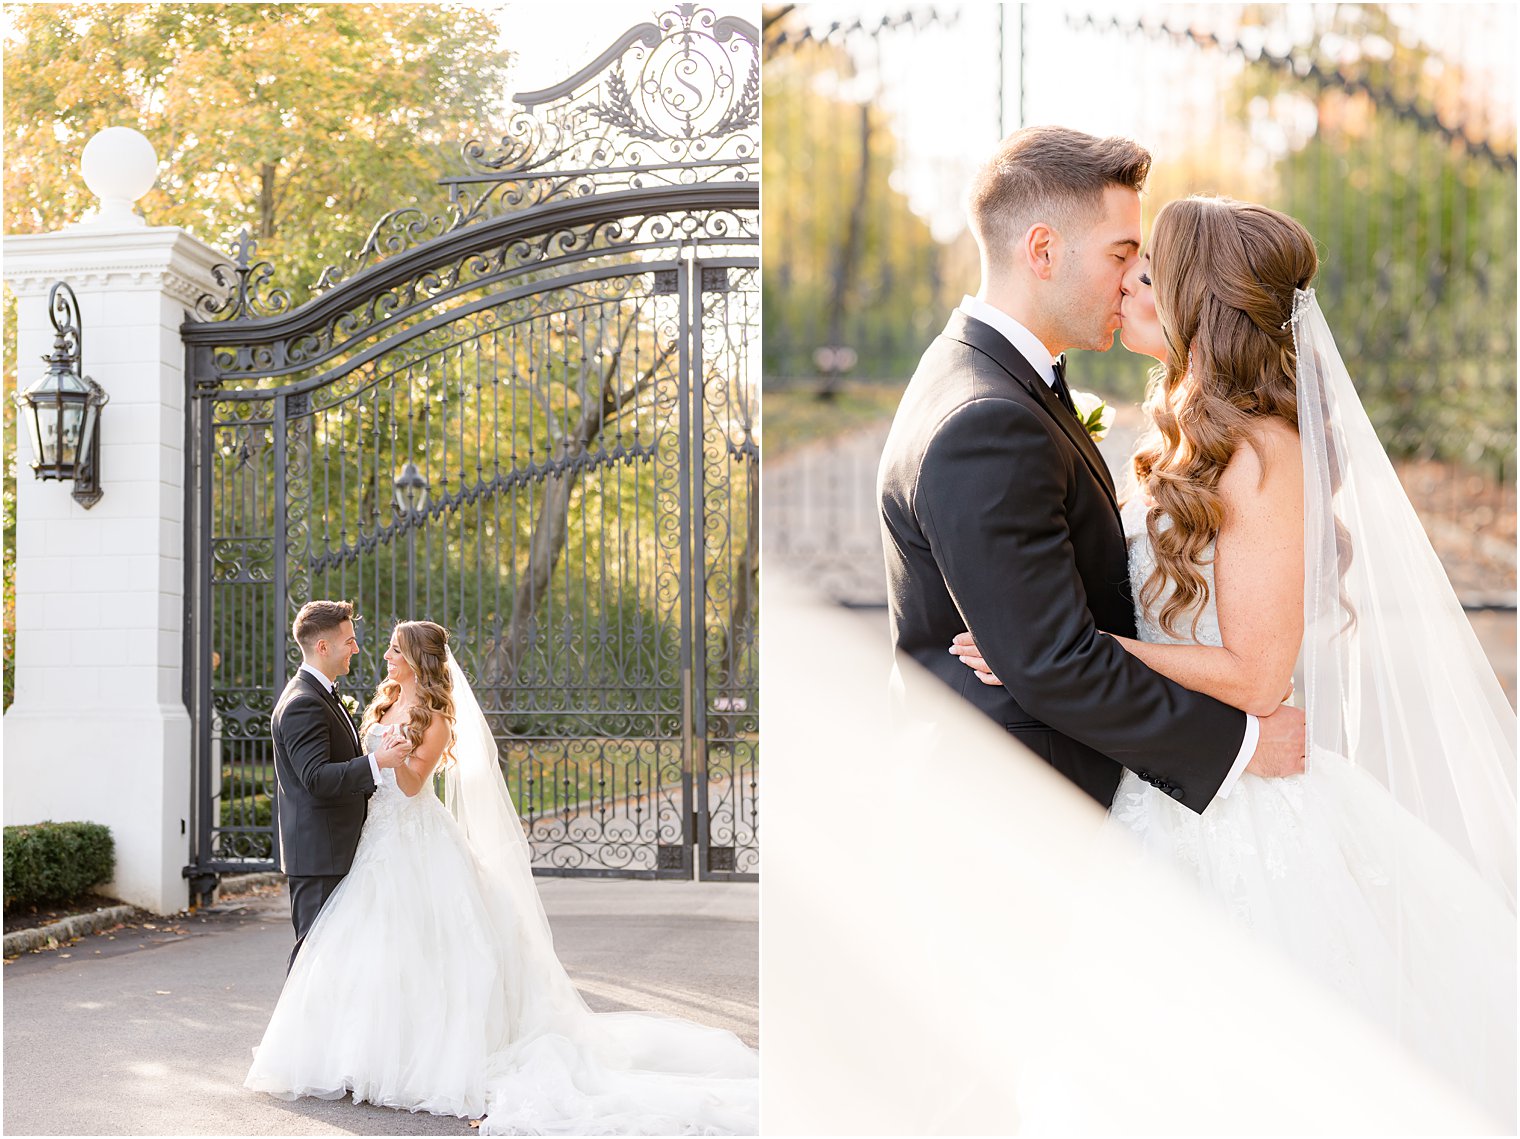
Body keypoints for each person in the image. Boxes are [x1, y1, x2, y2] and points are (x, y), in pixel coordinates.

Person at [952, 195, 1516, 1126]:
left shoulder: (1260, 450)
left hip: (1234, 817)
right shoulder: (1184, 431)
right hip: (1160, 783)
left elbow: (1257, 673)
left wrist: (1070, 652)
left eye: (1145, 269)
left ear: (1192, 300)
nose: (1128, 281)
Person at [876, 125, 1306, 821]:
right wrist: (1239, 749)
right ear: (1043, 250)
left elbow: (1065, 640)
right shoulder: (987, 416)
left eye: (1146, 264)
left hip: (1097, 802)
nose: (1134, 281)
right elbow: (1053, 661)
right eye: (1122, 255)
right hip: (1011, 813)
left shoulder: (1001, 380)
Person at [246, 619, 758, 1134]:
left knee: (424, 949)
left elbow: (409, 786)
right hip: (373, 840)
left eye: (395, 650)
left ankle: (409, 1060)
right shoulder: (373, 703)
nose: (382, 655)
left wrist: (392, 761)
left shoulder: (437, 717)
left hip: (412, 835)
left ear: (418, 658)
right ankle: (352, 1056)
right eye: (377, 646)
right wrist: (379, 757)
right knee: (363, 951)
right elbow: (346, 769)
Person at [268, 600, 412, 972]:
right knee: (314, 962)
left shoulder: (319, 694)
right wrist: (377, 763)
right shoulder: (303, 703)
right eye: (349, 641)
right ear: (323, 647)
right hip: (321, 856)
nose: (357, 648)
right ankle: (298, 1032)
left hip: (334, 850)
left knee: (334, 963)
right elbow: (316, 778)